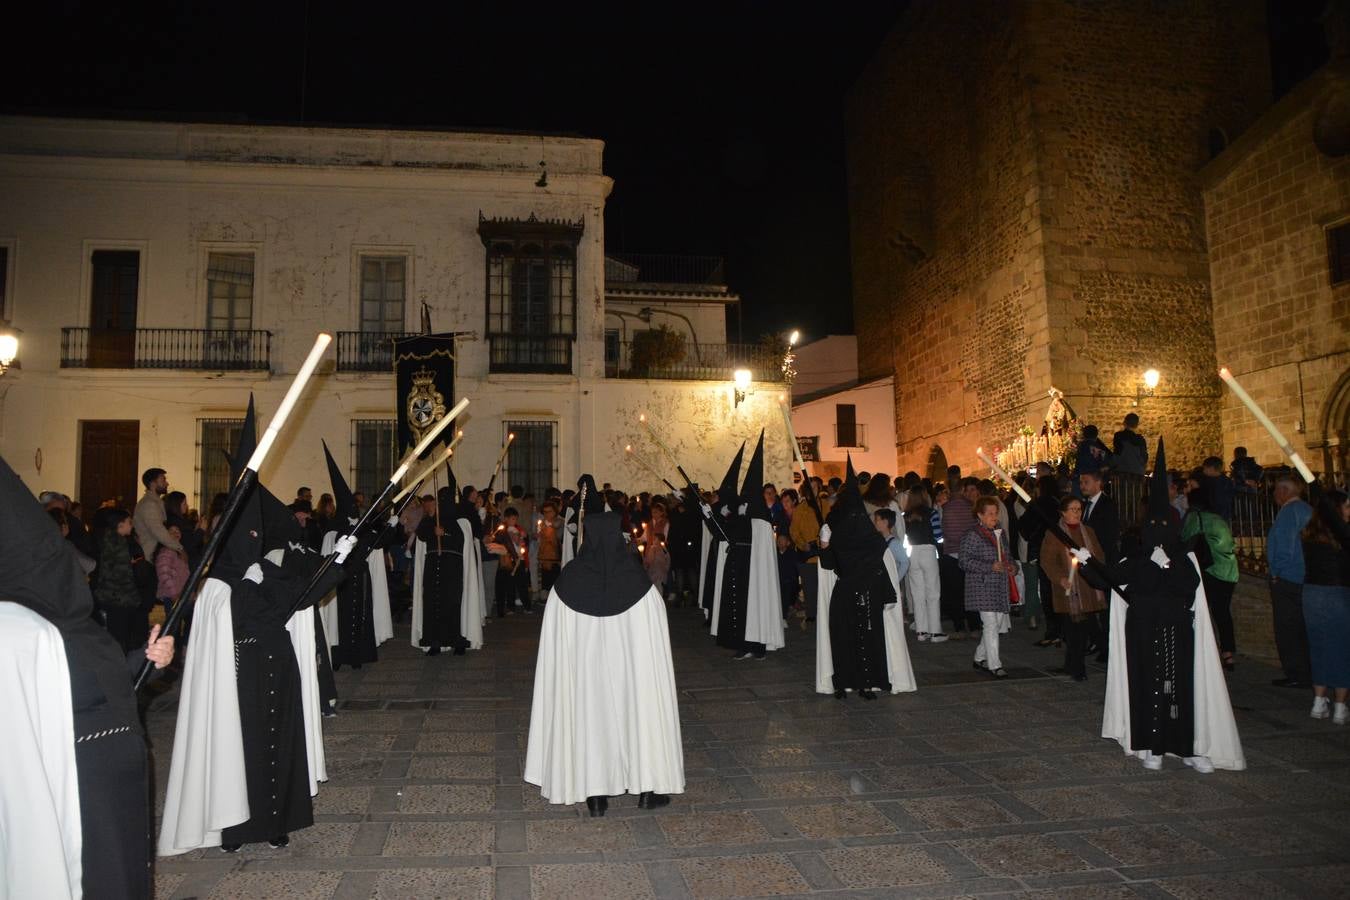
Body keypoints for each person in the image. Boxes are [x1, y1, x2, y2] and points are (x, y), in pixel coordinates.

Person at [1, 455, 176, 899]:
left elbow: (104, 670)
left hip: (118, 772)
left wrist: (146, 658)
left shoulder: (70, 618)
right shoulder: (16, 629)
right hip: (77, 781)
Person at [524, 474, 684, 816]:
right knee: (639, 717)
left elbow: (554, 651)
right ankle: (646, 787)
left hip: (584, 681)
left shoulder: (566, 586)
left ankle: (595, 796)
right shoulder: (641, 587)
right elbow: (656, 649)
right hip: (633, 681)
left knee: (590, 721)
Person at [1103, 437, 1244, 772]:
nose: (1158, 532)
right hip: (1144, 630)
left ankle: (1186, 747)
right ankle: (1151, 745)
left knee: (1181, 689)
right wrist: (1149, 564)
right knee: (1148, 685)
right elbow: (1117, 579)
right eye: (1154, 526)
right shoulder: (1137, 556)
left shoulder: (1182, 555)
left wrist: (1167, 564)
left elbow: (1190, 584)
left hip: (1178, 630)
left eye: (1164, 526)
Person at [816, 459, 916, 699]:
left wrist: (887, 594)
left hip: (864, 592)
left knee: (864, 638)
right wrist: (825, 544)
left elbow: (880, 565)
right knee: (843, 637)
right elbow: (830, 564)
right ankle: (843, 682)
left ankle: (865, 683)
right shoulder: (839, 532)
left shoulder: (869, 537)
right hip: (848, 591)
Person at [320, 441, 396, 668]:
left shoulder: (362, 527)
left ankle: (357, 656)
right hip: (340, 580)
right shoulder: (333, 530)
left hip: (360, 577)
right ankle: (339, 654)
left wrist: (391, 526)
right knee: (340, 617)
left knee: (360, 615)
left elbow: (377, 544)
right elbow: (329, 553)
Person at [712, 432, 784, 660]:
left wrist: (744, 517)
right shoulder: (744, 512)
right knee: (740, 606)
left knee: (755, 605)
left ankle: (758, 644)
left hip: (754, 570)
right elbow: (725, 530)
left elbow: (758, 540)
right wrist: (716, 514)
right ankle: (743, 643)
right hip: (741, 564)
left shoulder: (761, 518)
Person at [1039, 496, 1106, 681]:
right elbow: (1047, 560)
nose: (1077, 513)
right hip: (1068, 590)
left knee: (1083, 630)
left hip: (1088, 589)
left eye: (1079, 509)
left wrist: (1093, 565)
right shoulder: (1055, 534)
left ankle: (1073, 665)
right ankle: (1077, 669)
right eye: (1073, 509)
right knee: (1073, 631)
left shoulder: (1088, 532)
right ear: (1063, 512)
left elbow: (1099, 555)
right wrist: (1060, 578)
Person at [1303, 490, 1350, 725]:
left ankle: (1319, 701)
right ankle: (1340, 706)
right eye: (1347, 506)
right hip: (1337, 592)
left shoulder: (1309, 533)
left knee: (1319, 645)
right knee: (1341, 647)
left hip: (1312, 593)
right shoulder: (1342, 536)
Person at [1181, 483, 1239, 672]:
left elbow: (1185, 541)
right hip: (1229, 571)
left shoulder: (1194, 518)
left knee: (1202, 611)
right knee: (1223, 613)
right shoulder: (1219, 519)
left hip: (1210, 570)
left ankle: (1207, 651)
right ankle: (1228, 654)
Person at [959, 496, 1018, 679]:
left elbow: (1007, 555)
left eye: (995, 513)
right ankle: (994, 665)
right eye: (990, 513)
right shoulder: (972, 535)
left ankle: (979, 657)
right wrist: (989, 566)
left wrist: (1012, 566)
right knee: (991, 624)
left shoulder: (1000, 532)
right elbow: (964, 561)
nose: (994, 517)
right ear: (980, 515)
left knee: (997, 624)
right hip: (982, 585)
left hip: (999, 585)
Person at [413, 484, 472, 654]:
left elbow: (459, 541)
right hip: (433, 568)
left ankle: (455, 640)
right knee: (433, 604)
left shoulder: (458, 521)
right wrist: (433, 530)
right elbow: (422, 534)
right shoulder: (431, 519)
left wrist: (444, 533)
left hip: (451, 571)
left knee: (451, 604)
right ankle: (435, 641)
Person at [1267, 476, 1313, 688]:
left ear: (1285, 491)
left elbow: (1285, 548)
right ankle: (1308, 670)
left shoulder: (1288, 513)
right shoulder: (1307, 510)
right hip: (1306, 577)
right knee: (1302, 626)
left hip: (1288, 578)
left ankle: (1296, 673)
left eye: (1276, 489)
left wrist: (1277, 572)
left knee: (1287, 628)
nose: (1274, 494)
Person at [700, 444, 744, 626]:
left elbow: (726, 528)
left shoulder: (735, 508)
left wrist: (722, 515)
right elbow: (714, 527)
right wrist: (711, 513)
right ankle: (712, 614)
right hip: (717, 549)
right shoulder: (719, 507)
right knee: (713, 582)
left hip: (729, 550)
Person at [92, 507, 145, 652]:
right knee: (120, 636)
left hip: (109, 594)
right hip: (119, 597)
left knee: (114, 633)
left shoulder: (108, 538)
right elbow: (122, 575)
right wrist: (135, 598)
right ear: (119, 525)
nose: (131, 525)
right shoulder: (119, 542)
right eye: (129, 522)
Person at [903, 487, 944, 642]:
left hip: (913, 552)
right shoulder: (931, 513)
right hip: (928, 551)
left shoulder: (905, 515)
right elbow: (938, 536)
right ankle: (935, 632)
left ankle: (921, 630)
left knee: (917, 593)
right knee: (933, 592)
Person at [789, 477, 828, 627]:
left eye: (815, 487)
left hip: (824, 554)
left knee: (824, 588)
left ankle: (825, 615)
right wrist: (802, 544)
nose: (813, 490)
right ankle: (811, 616)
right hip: (808, 554)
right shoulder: (800, 509)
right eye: (810, 487)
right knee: (810, 588)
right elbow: (794, 530)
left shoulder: (825, 505)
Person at [133, 467, 183, 563]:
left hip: (153, 555)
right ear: (153, 483)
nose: (167, 483)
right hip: (149, 557)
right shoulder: (149, 504)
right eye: (163, 480)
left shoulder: (156, 502)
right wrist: (179, 548)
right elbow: (159, 532)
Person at [489, 507, 530, 617]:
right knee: (510, 585)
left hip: (519, 559)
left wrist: (523, 537)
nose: (514, 521)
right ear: (506, 518)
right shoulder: (503, 530)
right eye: (512, 519)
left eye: (516, 519)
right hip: (509, 560)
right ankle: (511, 607)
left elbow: (522, 542)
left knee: (521, 584)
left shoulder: (518, 529)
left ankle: (527, 606)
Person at [155, 519, 190, 620]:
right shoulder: (166, 551)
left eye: (177, 530)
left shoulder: (180, 550)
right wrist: (174, 594)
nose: (176, 533)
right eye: (172, 531)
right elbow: (164, 574)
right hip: (173, 596)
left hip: (182, 594)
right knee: (174, 626)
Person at [1200, 457, 1235, 522]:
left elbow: (1218, 501)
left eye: (1205, 468)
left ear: (1211, 468)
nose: (1203, 471)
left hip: (1219, 515)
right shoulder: (1226, 480)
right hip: (1222, 514)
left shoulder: (1217, 482)